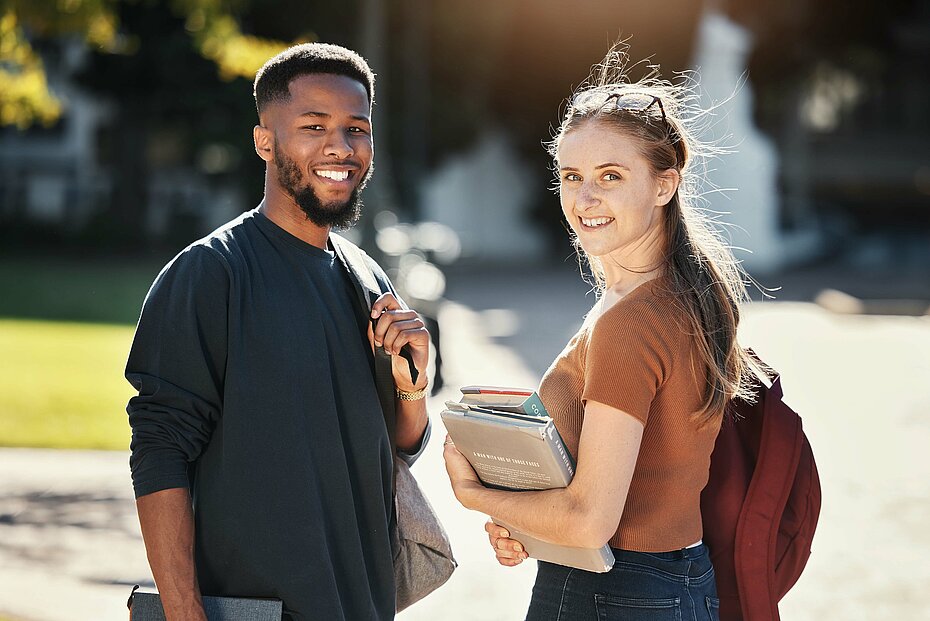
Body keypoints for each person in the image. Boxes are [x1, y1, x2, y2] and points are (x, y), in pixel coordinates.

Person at [443, 45, 757, 621]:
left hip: (615, 593)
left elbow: (591, 518)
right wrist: (525, 518)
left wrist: (474, 494)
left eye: (611, 176)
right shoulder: (686, 295)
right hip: (676, 583)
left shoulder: (632, 321)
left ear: (665, 185)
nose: (584, 198)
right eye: (571, 176)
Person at [126, 43, 431, 621]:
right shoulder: (210, 273)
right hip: (254, 611)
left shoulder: (366, 277)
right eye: (313, 126)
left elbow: (392, 448)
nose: (340, 146)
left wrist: (413, 383)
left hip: (363, 604)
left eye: (356, 128)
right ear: (265, 140)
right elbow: (159, 449)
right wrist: (184, 612)